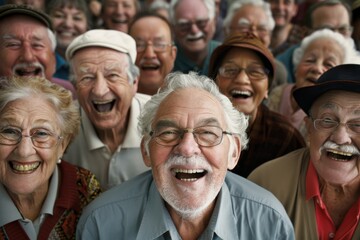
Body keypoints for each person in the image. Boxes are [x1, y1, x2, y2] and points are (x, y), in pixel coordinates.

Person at [76, 71, 295, 239]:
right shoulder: (101, 223)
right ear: (146, 151)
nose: (187, 148)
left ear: (234, 152)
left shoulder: (268, 221)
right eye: (169, 133)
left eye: (208, 133)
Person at [248, 64, 360, 239]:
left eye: (358, 124)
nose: (340, 138)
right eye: (328, 120)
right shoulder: (265, 185)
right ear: (309, 128)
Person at [0, 76, 101, 239]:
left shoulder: (84, 189)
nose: (24, 151)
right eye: (9, 131)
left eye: (41, 133)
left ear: (62, 145)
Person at [208, 32, 305, 177]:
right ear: (215, 82)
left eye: (255, 71)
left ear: (267, 88)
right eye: (230, 70)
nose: (242, 79)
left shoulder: (285, 137)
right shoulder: (196, 128)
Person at [64, 29, 150, 190]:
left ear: (134, 83)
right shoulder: (60, 126)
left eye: (112, 75)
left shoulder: (160, 119)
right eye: (87, 78)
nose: (99, 90)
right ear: (75, 86)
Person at [268, 29, 360, 138]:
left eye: (329, 64)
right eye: (310, 60)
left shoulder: (334, 115)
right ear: (296, 67)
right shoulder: (277, 93)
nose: (317, 68)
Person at [0, 4, 76, 98]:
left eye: (37, 45)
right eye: (13, 45)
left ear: (54, 59)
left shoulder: (71, 95)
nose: (28, 57)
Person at [277, 0, 353, 83]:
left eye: (343, 30)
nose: (336, 36)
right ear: (305, 33)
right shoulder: (281, 67)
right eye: (327, 30)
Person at [222, 0, 288, 92]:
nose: (254, 35)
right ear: (226, 31)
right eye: (244, 28)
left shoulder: (278, 71)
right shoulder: (214, 63)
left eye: (262, 29)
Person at [129, 11, 177, 95]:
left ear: (173, 54)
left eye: (159, 44)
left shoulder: (185, 100)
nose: (149, 54)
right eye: (139, 45)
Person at [170, 0, 219, 76]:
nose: (194, 30)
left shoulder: (226, 55)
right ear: (173, 28)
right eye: (184, 25)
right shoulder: (166, 60)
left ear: (214, 22)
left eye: (201, 23)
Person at [45, 0, 91, 81]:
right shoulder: (39, 66)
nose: (68, 24)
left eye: (77, 18)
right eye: (59, 16)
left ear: (87, 26)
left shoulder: (94, 65)